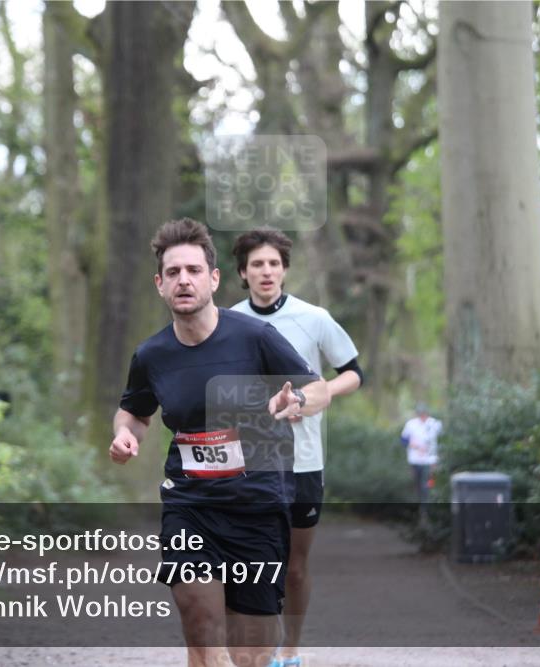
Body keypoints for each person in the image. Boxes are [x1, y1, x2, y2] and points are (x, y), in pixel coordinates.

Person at [109, 218, 330, 667]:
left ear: (213, 279)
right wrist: (124, 436)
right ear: (160, 284)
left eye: (193, 270)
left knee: (250, 653)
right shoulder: (152, 355)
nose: (183, 280)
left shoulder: (254, 337)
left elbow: (319, 388)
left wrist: (299, 399)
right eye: (173, 272)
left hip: (257, 506)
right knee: (201, 630)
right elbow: (134, 411)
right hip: (191, 503)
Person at [230, 228, 363, 667]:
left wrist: (314, 395)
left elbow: (353, 372)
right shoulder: (227, 321)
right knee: (252, 561)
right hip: (248, 462)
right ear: (241, 273)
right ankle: (259, 649)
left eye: (273, 263)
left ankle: (290, 649)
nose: (266, 271)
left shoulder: (314, 317)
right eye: (256, 264)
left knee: (295, 565)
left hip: (303, 461)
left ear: (284, 269)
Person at [400, 403, 443, 511]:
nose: (422, 416)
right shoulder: (411, 424)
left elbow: (443, 439)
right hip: (415, 460)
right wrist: (415, 445)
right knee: (418, 485)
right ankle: (419, 507)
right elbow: (403, 440)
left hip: (429, 460)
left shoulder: (435, 423)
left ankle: (426, 508)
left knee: (427, 484)